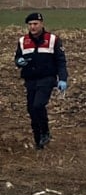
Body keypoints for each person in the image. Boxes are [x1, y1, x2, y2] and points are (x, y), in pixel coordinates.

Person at [14, 12, 68, 149]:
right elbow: (17, 58)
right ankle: (39, 141)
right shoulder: (23, 41)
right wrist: (19, 62)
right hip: (30, 79)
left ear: (41, 24)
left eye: (35, 24)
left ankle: (45, 132)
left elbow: (61, 61)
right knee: (31, 110)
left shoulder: (53, 40)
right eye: (30, 24)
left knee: (38, 105)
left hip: (47, 78)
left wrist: (62, 79)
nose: (32, 27)